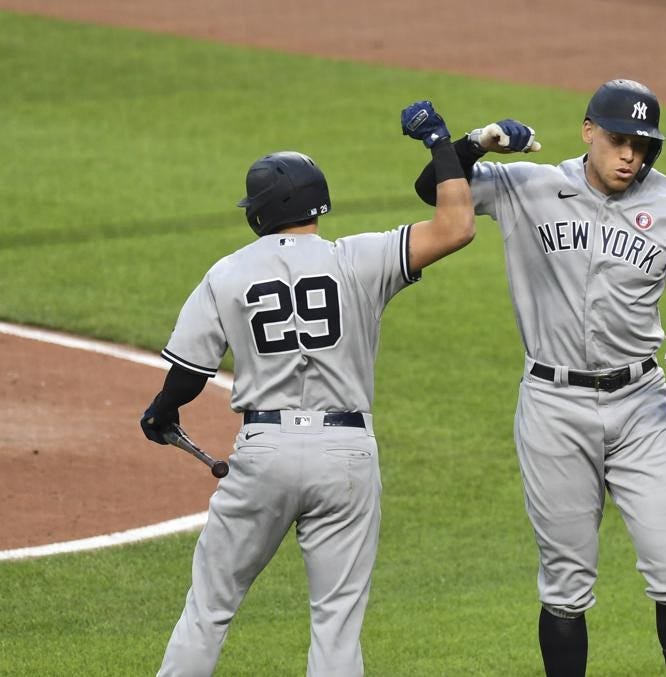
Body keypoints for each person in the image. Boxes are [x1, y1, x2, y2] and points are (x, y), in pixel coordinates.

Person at [413, 79, 666, 676]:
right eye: (620, 140)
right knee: (566, 587)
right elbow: (432, 190)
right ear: (588, 131)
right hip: (553, 407)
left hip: (642, 407)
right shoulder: (530, 186)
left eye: (644, 145)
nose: (631, 156)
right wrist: (477, 141)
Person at [139, 100, 473, 676]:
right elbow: (456, 226)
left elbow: (190, 373)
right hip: (345, 454)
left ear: (261, 211)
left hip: (263, 453)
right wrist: (442, 145)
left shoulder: (229, 271)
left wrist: (160, 412)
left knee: (210, 609)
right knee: (336, 621)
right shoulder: (360, 259)